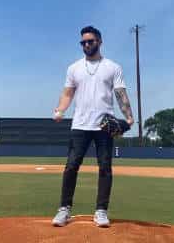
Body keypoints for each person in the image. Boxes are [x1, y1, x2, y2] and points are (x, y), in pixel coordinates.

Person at [51, 26, 134, 228]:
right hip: (80, 124)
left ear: (99, 42)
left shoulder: (113, 67)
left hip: (104, 125)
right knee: (71, 166)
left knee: (105, 167)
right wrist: (61, 110)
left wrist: (129, 117)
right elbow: (68, 93)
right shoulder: (74, 68)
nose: (86, 45)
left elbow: (120, 93)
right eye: (83, 42)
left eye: (90, 41)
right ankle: (64, 209)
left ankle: (101, 211)